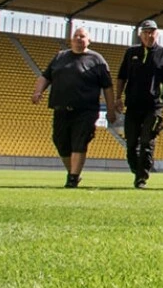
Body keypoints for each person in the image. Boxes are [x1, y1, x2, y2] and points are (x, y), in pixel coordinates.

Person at [32, 27, 116, 188]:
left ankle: (72, 178)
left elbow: (107, 87)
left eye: (82, 36)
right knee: (60, 142)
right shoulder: (60, 57)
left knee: (79, 142)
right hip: (61, 108)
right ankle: (73, 173)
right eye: (76, 36)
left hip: (86, 110)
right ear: (71, 39)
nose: (79, 38)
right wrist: (37, 92)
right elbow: (45, 76)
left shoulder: (97, 60)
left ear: (89, 40)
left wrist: (111, 110)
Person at [113, 19, 163, 189]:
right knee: (132, 143)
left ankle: (142, 177)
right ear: (140, 34)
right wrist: (117, 97)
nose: (149, 35)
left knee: (147, 142)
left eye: (152, 32)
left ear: (157, 33)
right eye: (146, 32)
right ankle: (136, 169)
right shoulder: (131, 53)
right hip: (133, 105)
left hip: (154, 106)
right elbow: (121, 77)